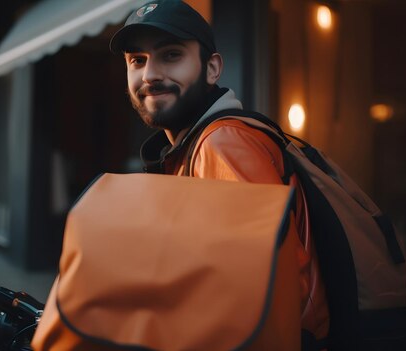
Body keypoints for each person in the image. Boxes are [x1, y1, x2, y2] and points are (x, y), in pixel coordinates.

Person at [110, 0, 329, 345]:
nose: (149, 74)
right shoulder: (194, 145)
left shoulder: (223, 143)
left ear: (212, 69)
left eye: (171, 55)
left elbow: (277, 286)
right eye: (137, 60)